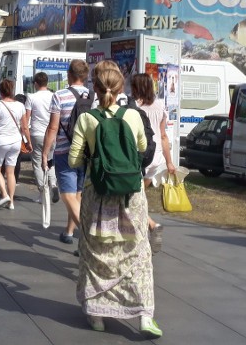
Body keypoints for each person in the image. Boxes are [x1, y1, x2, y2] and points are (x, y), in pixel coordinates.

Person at [68, 66, 162, 338]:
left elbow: (74, 160)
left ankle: (96, 315)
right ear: (122, 89)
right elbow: (143, 149)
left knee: (95, 252)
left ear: (95, 90)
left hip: (97, 193)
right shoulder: (133, 115)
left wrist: (93, 155)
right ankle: (144, 316)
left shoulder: (87, 119)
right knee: (137, 253)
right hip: (130, 195)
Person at [42, 59, 90, 245]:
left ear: (70, 74)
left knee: (67, 195)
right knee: (78, 195)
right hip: (86, 151)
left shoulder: (59, 95)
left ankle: (87, 237)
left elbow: (53, 128)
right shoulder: (92, 95)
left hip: (65, 151)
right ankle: (69, 232)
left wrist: (46, 153)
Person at [131, 73, 176, 253]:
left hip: (139, 155)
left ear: (135, 88)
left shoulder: (133, 106)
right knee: (139, 196)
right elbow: (163, 135)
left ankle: (151, 225)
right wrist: (169, 162)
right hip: (155, 157)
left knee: (131, 198)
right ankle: (144, 228)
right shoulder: (159, 106)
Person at [0, 79, 31, 209]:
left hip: (1, 140)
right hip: (16, 141)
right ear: (12, 91)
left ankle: (4, 194)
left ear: (0, 92)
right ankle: (11, 201)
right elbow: (25, 127)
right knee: (11, 172)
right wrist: (28, 142)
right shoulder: (20, 106)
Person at [26, 72, 60, 210]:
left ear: (35, 83)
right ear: (47, 83)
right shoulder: (54, 96)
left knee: (37, 163)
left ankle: (43, 192)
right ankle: (53, 184)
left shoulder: (31, 97)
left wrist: (26, 136)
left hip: (37, 133)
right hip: (52, 133)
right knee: (50, 160)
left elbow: (27, 116)